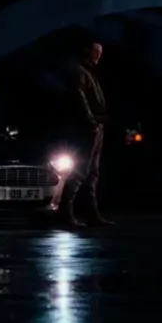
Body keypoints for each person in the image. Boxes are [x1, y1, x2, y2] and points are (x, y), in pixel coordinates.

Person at [56, 39, 113, 227]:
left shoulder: (86, 72)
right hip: (88, 128)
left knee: (91, 172)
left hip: (94, 126)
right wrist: (91, 122)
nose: (99, 55)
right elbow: (79, 99)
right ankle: (66, 212)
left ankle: (89, 214)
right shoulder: (80, 72)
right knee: (82, 171)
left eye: (100, 52)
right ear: (86, 50)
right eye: (96, 51)